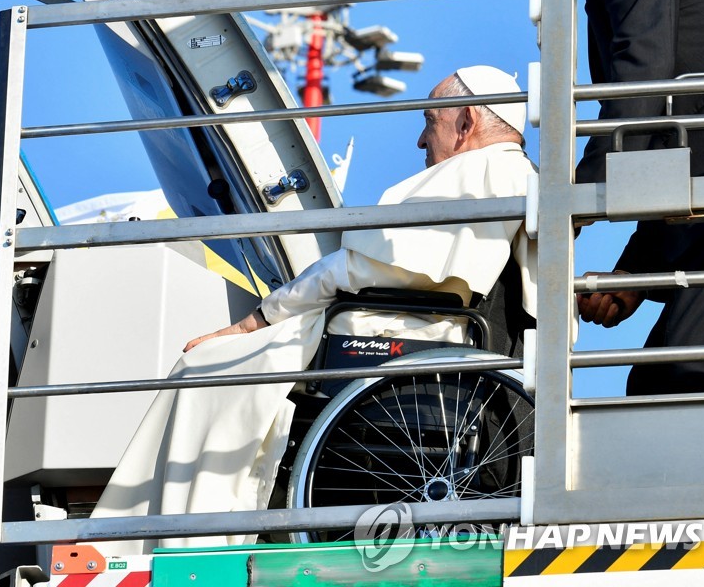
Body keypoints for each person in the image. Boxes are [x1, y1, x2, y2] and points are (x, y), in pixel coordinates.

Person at [90, 66, 536, 553]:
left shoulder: (476, 172)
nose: (419, 141)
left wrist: (254, 320)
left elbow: (352, 270)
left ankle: (170, 539)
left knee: (207, 367)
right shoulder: (519, 177)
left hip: (382, 344)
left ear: (467, 122)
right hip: (427, 348)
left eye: (429, 121)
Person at [491, 0, 704, 395]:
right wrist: (634, 277)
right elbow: (670, 137)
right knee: (664, 382)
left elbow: (641, 76)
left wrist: (577, 196)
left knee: (676, 381)